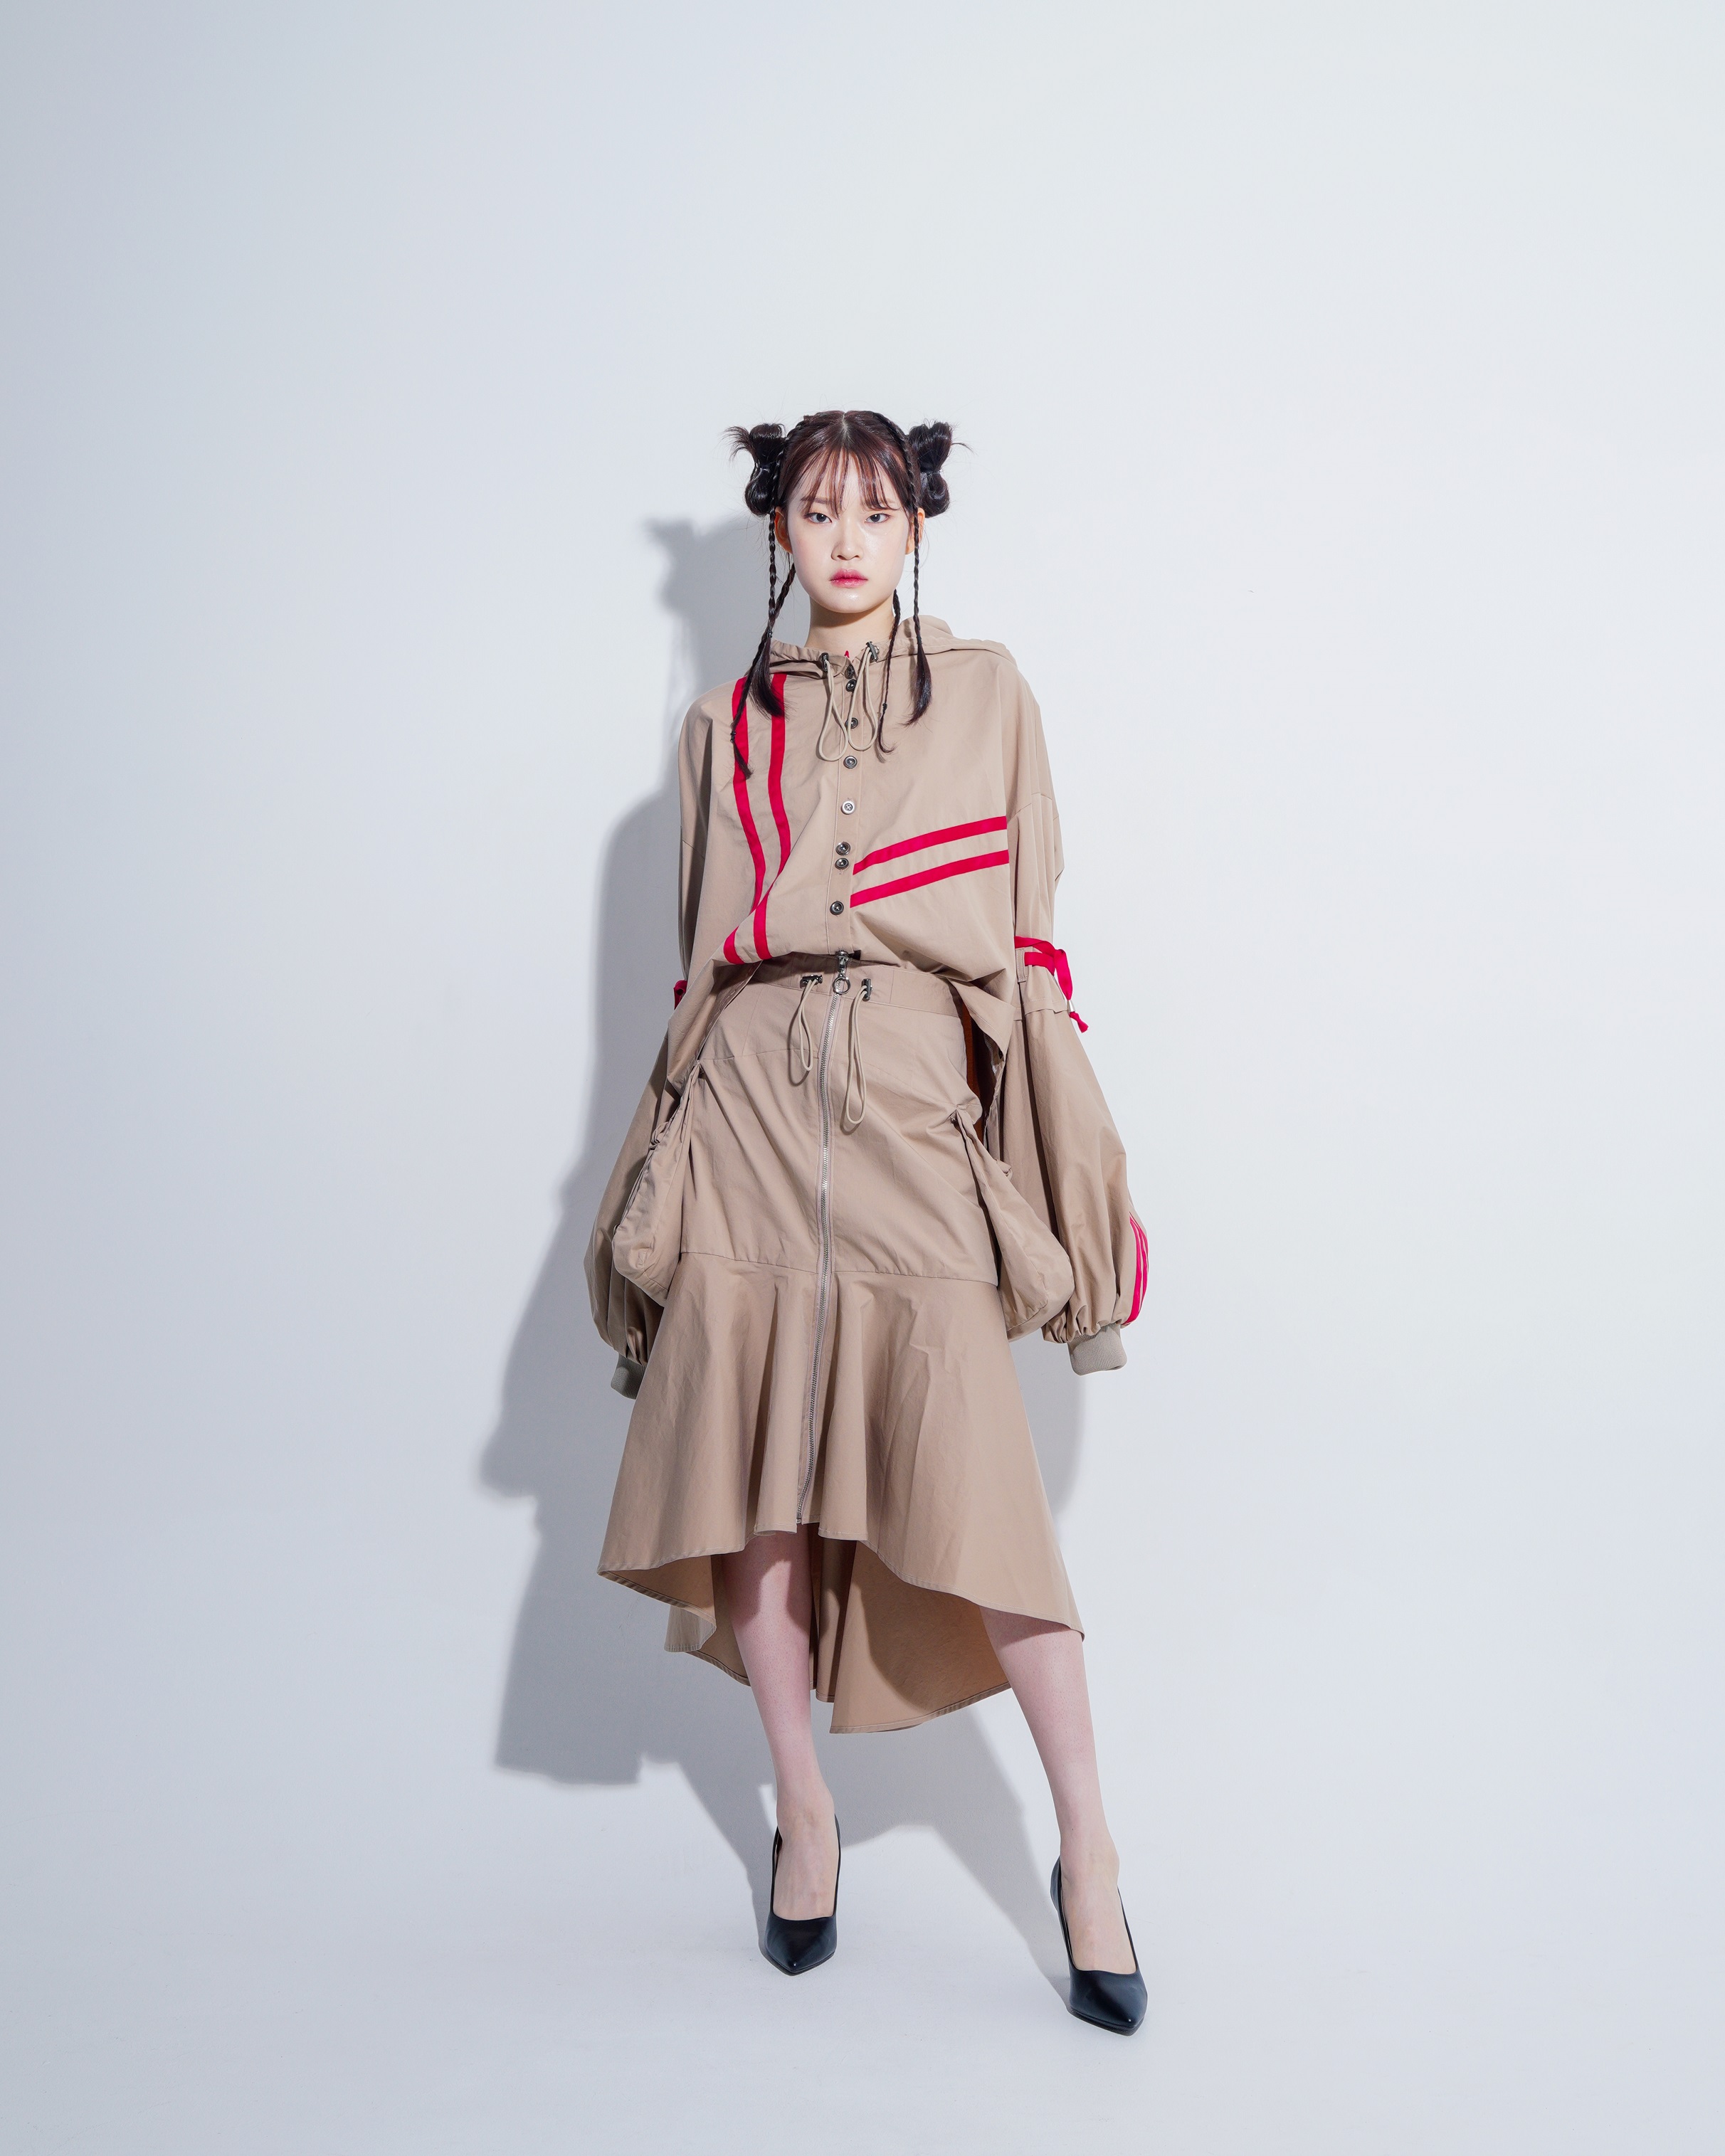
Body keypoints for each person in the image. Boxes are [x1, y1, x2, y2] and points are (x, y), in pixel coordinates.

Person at [586, 410, 1148, 2033]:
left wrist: (1054, 1162)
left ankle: (1090, 1850)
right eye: (818, 512)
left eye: (877, 513)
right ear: (778, 532)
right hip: (752, 1108)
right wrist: (655, 1168)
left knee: (984, 1495)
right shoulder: (721, 726)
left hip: (911, 1100)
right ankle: (807, 1818)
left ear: (916, 531)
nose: (846, 540)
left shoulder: (987, 694)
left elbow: (1026, 947)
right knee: (753, 1484)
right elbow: (697, 965)